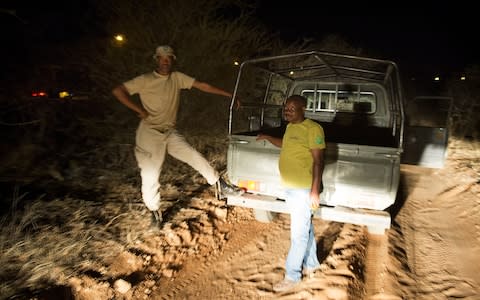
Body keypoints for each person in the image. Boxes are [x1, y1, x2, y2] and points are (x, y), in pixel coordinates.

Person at [112, 45, 243, 230]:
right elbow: (118, 91)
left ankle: (220, 184)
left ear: (172, 60)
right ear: (156, 59)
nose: (165, 62)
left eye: (168, 58)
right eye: (162, 58)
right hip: (149, 134)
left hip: (169, 132)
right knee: (150, 175)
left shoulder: (177, 78)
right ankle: (154, 213)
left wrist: (229, 95)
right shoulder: (145, 80)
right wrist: (138, 110)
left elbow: (203, 86)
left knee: (193, 155)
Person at [256, 95, 326, 292]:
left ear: (303, 109)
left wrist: (314, 190)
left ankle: (292, 276)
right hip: (291, 187)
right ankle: (312, 264)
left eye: (292, 108)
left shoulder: (313, 129)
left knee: (299, 235)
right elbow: (287, 145)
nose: (287, 111)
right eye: (286, 108)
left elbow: (318, 161)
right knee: (306, 227)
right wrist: (269, 137)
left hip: (303, 189)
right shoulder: (290, 127)